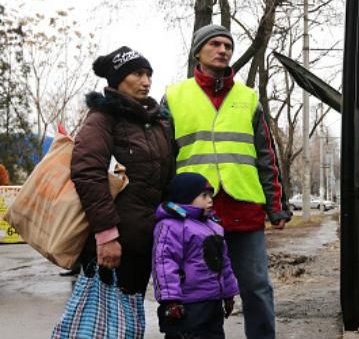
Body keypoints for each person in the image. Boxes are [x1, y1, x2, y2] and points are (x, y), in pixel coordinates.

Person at [162, 24, 292, 339]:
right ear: (198, 52)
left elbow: (266, 157)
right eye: (215, 44)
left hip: (243, 210)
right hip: (194, 215)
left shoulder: (248, 98)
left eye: (228, 46)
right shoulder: (174, 96)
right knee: (198, 292)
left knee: (257, 288)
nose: (223, 50)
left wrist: (277, 207)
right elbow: (163, 159)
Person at [70, 47, 174, 320]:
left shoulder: (156, 123)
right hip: (111, 243)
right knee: (102, 323)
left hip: (143, 242)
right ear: (117, 79)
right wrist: (106, 235)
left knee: (128, 321)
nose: (146, 81)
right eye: (138, 73)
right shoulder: (102, 118)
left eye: (149, 74)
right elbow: (87, 173)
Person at [152, 172, 239, 339]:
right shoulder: (171, 226)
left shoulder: (214, 226)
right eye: (204, 195)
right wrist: (170, 300)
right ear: (185, 197)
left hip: (213, 302)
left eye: (211, 195)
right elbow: (164, 262)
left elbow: (224, 263)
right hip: (187, 305)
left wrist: (229, 294)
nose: (210, 200)